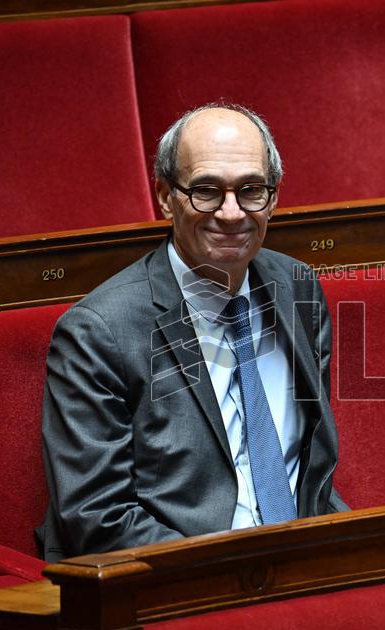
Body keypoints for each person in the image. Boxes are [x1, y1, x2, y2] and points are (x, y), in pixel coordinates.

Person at [36, 103, 348, 562]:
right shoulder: (98, 332)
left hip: (300, 563)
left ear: (273, 198)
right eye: (206, 190)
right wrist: (233, 573)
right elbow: (97, 517)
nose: (231, 213)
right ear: (165, 197)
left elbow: (312, 468)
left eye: (251, 190)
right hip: (174, 578)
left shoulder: (297, 288)